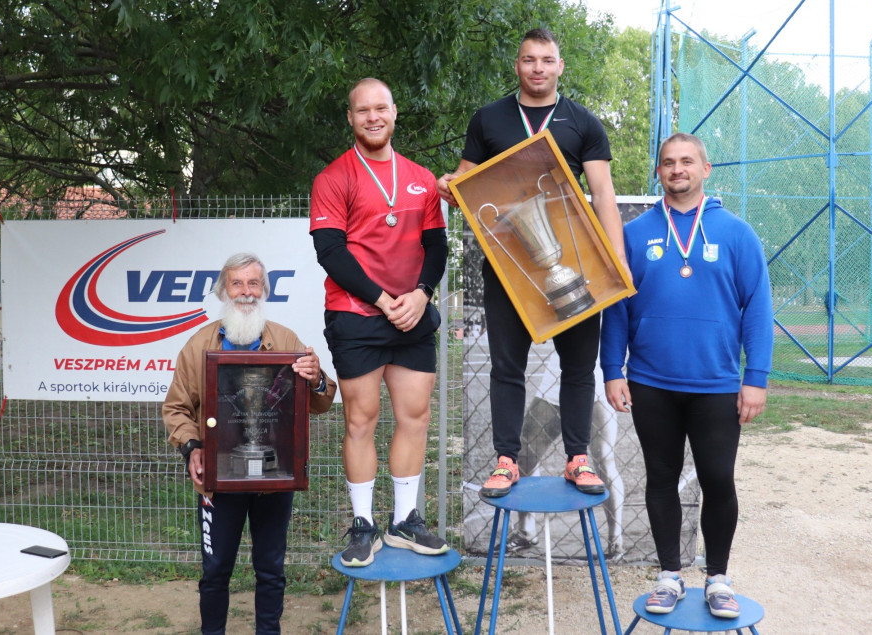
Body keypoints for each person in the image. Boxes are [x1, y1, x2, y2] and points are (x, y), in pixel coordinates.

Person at [437, 27, 629, 498]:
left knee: (579, 368)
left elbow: (603, 193)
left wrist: (616, 260)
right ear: (518, 65)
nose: (538, 68)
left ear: (560, 66)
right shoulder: (488, 119)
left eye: (546, 60)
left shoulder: (583, 123)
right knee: (507, 367)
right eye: (529, 60)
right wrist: (450, 185)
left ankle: (577, 459)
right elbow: (466, 181)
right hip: (509, 268)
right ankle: (507, 461)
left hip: (576, 267)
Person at [600, 133, 774, 619]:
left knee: (718, 479)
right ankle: (669, 575)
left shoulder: (736, 234)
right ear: (658, 172)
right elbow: (616, 309)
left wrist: (755, 377)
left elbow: (758, 310)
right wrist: (613, 369)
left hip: (716, 384)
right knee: (660, 478)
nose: (677, 170)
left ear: (705, 168)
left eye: (686, 162)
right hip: (651, 382)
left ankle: (717, 577)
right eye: (668, 163)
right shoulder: (634, 235)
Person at [310, 78, 449, 567]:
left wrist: (419, 294)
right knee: (359, 419)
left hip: (412, 314)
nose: (373, 117)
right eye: (362, 110)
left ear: (394, 112)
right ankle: (363, 524)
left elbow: (436, 246)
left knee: (415, 418)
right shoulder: (333, 178)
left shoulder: (422, 177)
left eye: (380, 108)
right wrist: (383, 298)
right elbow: (330, 251)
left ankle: (405, 521)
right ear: (350, 118)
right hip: (356, 315)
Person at [163, 252, 337, 635]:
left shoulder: (286, 341)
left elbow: (322, 401)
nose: (246, 292)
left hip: (274, 475)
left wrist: (316, 377)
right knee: (215, 571)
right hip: (218, 479)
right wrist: (192, 448)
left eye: (253, 283)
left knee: (271, 569)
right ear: (224, 290)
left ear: (265, 290)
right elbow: (176, 407)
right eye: (237, 284)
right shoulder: (199, 345)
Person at [511, 353, 625, 557]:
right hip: (558, 372)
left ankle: (615, 539)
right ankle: (526, 530)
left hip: (597, 375)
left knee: (604, 459)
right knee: (525, 452)